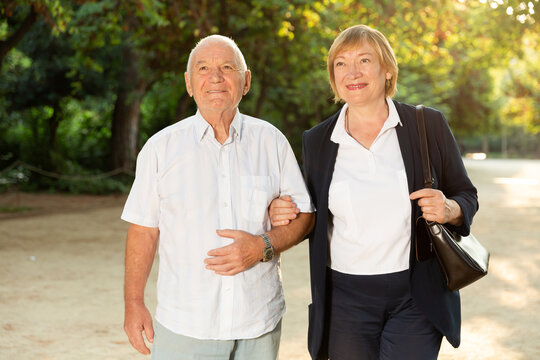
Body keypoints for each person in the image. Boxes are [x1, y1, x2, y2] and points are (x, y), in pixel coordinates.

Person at [269, 25, 478, 360]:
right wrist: (283, 208)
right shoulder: (318, 141)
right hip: (344, 300)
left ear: (387, 69)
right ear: (333, 76)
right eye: (341, 63)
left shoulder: (428, 125)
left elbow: (466, 195)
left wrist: (449, 208)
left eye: (364, 60)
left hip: (416, 294)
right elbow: (308, 210)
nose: (352, 72)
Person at [121, 34, 315, 360]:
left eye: (227, 67)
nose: (215, 77)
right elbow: (143, 230)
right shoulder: (160, 149)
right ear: (188, 83)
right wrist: (133, 303)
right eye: (203, 68)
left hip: (259, 322)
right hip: (185, 324)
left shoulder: (271, 142)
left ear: (246, 80)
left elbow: (305, 217)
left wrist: (262, 245)